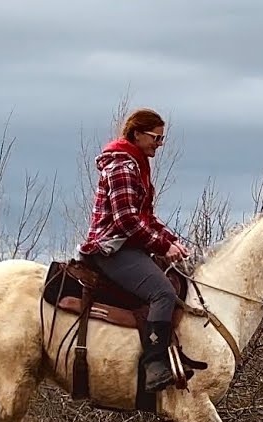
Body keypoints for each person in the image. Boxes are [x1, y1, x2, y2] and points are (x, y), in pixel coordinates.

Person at [77, 108, 189, 393]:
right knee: (163, 292)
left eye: (162, 139)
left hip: (127, 245)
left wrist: (173, 242)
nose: (159, 145)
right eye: (156, 138)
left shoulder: (137, 165)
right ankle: (153, 364)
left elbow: (146, 218)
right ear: (137, 134)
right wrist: (163, 245)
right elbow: (125, 220)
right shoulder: (122, 167)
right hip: (110, 248)